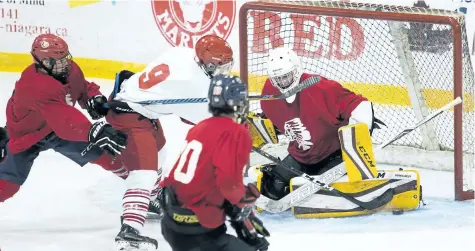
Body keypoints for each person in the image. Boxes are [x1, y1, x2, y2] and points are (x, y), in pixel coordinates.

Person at [96, 35, 235, 250]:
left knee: (160, 150)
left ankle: (152, 199)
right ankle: (129, 231)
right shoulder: (192, 83)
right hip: (129, 115)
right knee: (144, 172)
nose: (223, 71)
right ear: (205, 63)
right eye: (218, 66)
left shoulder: (182, 52)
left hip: (137, 104)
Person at [0, 34, 128, 203]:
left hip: (57, 129)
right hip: (26, 136)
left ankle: (148, 192)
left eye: (65, 57)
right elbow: (64, 119)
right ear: (41, 62)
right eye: (57, 61)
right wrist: (94, 131)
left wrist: (93, 97)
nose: (64, 64)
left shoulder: (70, 69)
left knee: (108, 156)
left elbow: (81, 87)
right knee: (7, 187)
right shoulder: (34, 85)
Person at [254, 46, 384, 200]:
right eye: (278, 79)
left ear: (296, 71)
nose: (282, 83)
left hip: (334, 155)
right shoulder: (269, 94)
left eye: (286, 77)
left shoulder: (321, 87)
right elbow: (277, 121)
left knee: (325, 195)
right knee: (273, 187)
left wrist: (360, 129)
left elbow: (359, 104)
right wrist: (257, 125)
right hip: (301, 156)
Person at [159, 74, 270, 251]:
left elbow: (199, 180)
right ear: (239, 102)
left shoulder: (200, 127)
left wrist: (238, 212)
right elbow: (229, 185)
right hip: (200, 232)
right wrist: (242, 205)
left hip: (172, 225)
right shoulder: (235, 132)